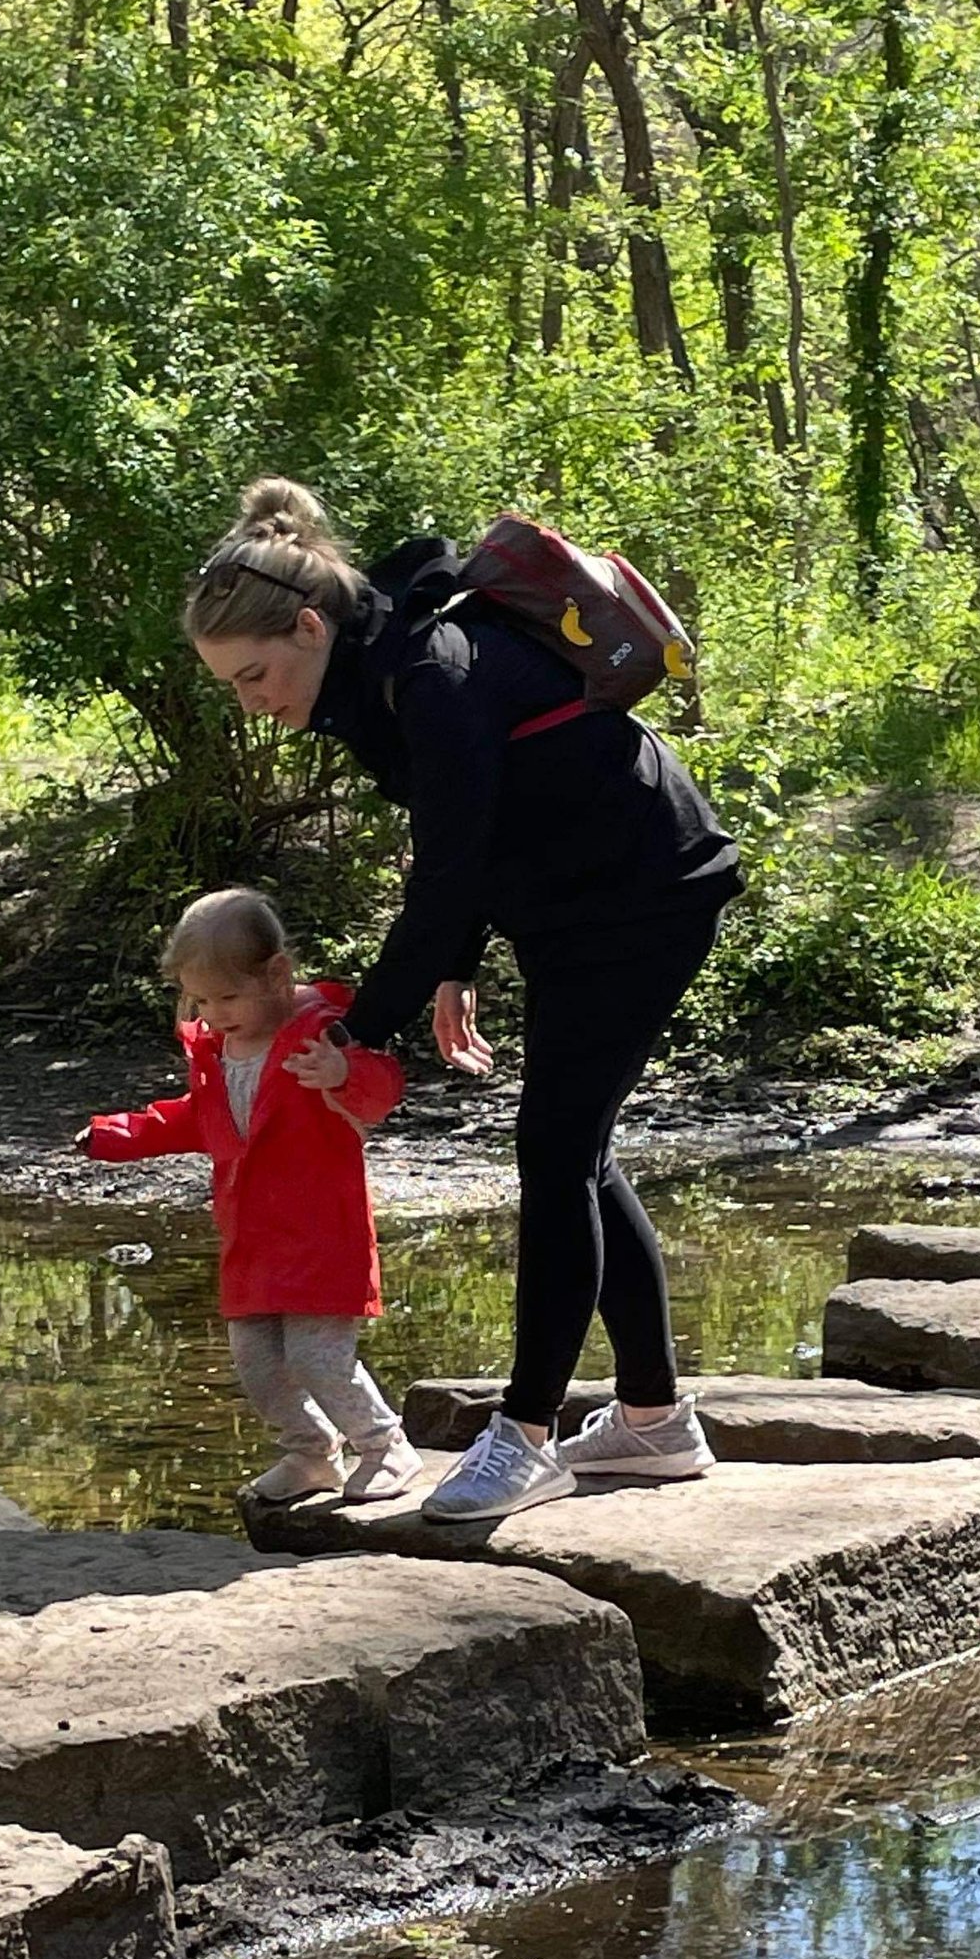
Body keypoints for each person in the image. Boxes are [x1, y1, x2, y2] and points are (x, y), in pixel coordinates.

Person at [182, 479, 739, 1522]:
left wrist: (351, 1027)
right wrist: (451, 963)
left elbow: (444, 871)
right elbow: (473, 831)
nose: (251, 701)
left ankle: (524, 1437)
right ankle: (656, 1422)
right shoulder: (373, 675)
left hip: (646, 893)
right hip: (574, 899)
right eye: (231, 685)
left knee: (555, 1152)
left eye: (256, 673)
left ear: (309, 625)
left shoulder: (426, 676)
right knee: (576, 1149)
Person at [84, 886, 423, 1505]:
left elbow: (380, 1091)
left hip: (322, 1234)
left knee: (319, 1354)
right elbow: (200, 1119)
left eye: (229, 997)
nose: (214, 1013)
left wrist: (344, 1075)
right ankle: (311, 1454)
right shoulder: (217, 1051)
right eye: (202, 1000)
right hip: (252, 1238)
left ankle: (384, 1447)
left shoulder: (320, 1036)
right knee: (257, 1362)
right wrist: (118, 1134)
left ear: (277, 974)